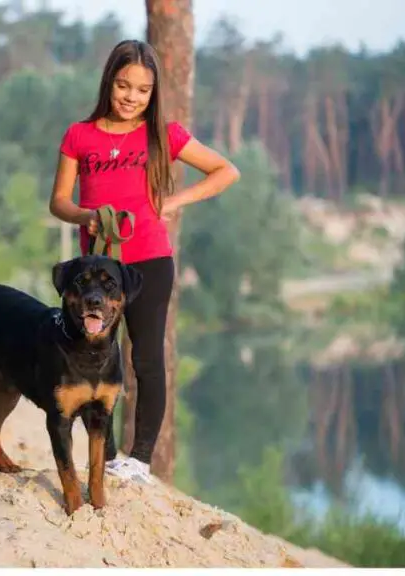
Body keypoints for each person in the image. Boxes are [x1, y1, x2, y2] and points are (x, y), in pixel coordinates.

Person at [48, 39, 240, 483]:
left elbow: (226, 170)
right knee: (94, 358)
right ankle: (107, 452)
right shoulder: (80, 135)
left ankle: (139, 459)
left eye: (142, 89)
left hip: (150, 262)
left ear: (153, 93)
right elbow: (58, 201)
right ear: (109, 82)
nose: (131, 97)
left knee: (147, 359)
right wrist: (85, 216)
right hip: (97, 271)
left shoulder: (164, 135)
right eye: (123, 85)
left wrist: (173, 202)